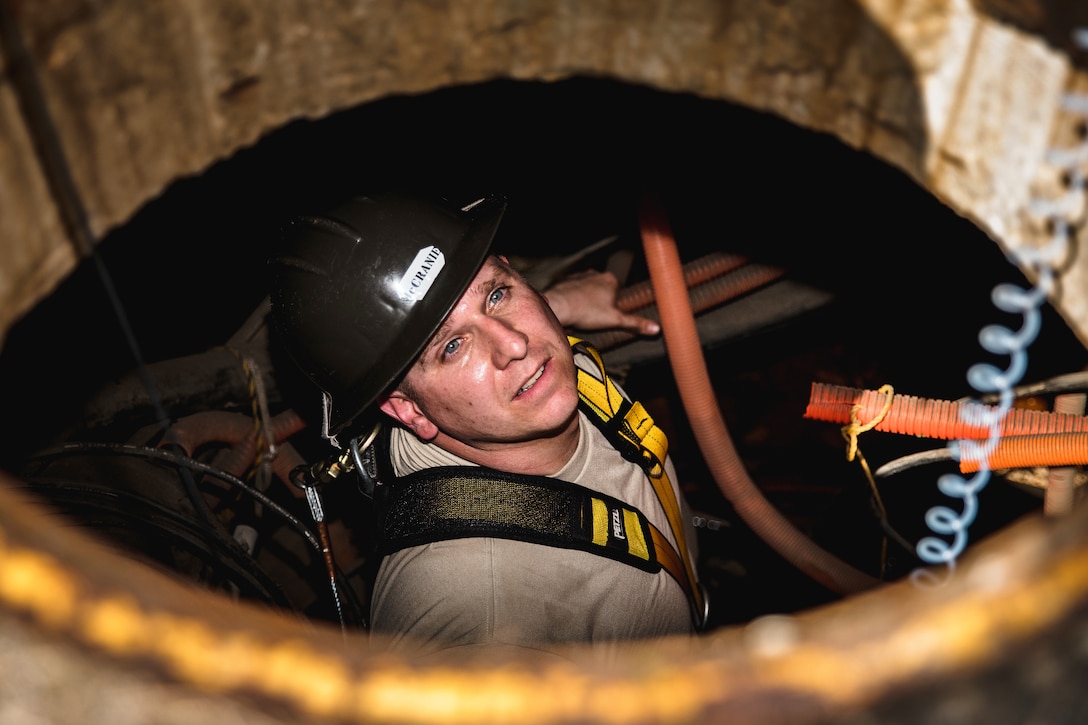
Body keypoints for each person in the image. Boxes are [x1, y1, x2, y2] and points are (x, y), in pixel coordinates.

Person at [268, 192, 705, 661]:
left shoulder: (530, 371)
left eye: (496, 294)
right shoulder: (479, 624)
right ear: (406, 410)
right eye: (452, 348)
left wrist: (564, 300)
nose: (515, 344)